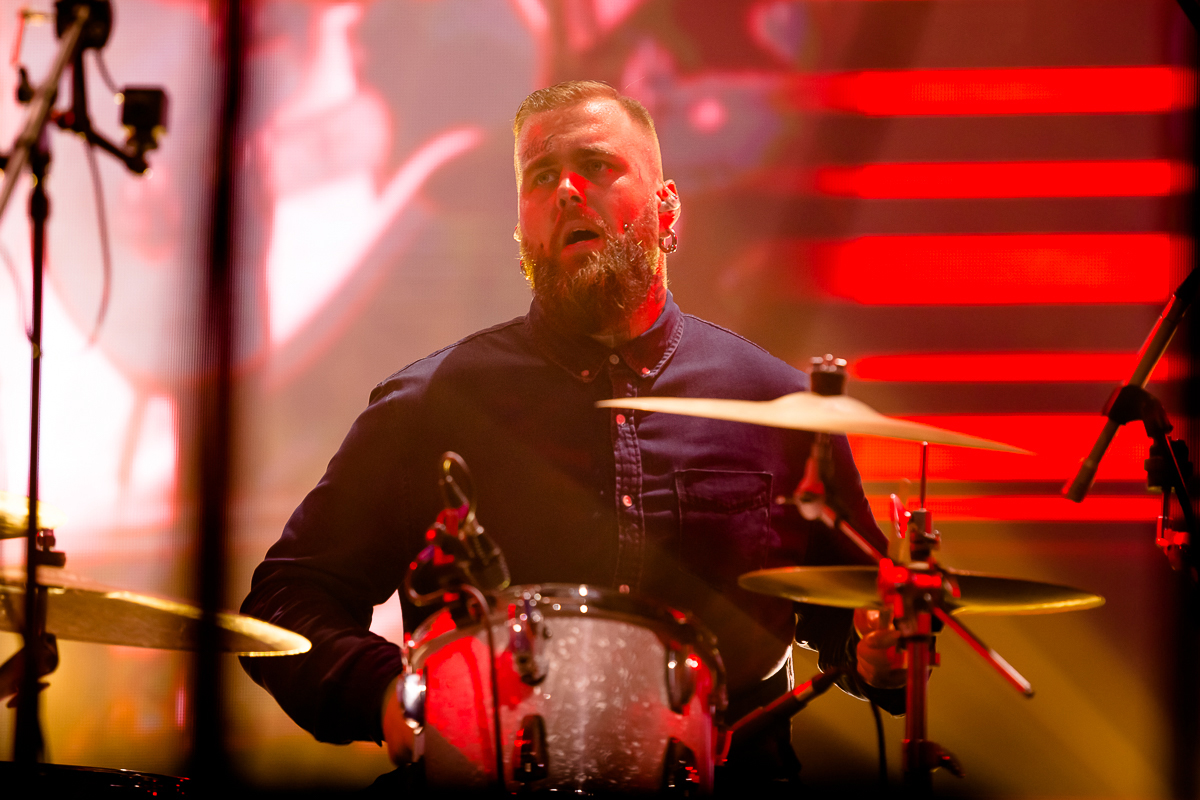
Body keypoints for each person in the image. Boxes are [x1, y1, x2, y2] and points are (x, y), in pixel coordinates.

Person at [241, 80, 905, 791]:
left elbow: (853, 616)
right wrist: (386, 692)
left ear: (667, 207)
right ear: (521, 228)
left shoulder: (780, 408)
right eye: (540, 176)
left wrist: (879, 654)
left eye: (596, 166)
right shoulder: (428, 406)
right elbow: (288, 599)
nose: (565, 191)